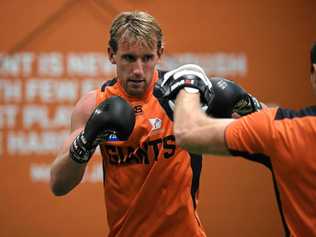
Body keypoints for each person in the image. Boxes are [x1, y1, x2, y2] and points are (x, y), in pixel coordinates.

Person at [50, 11, 208, 237]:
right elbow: (58, 184)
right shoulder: (93, 105)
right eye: (129, 58)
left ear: (160, 54)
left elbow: (249, 121)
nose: (137, 70)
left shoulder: (183, 95)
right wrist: (86, 141)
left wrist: (245, 104)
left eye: (147, 58)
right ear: (111, 54)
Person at [155, 42, 316, 237]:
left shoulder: (287, 130)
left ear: (314, 72)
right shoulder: (282, 128)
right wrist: (252, 105)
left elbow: (188, 131)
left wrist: (190, 84)